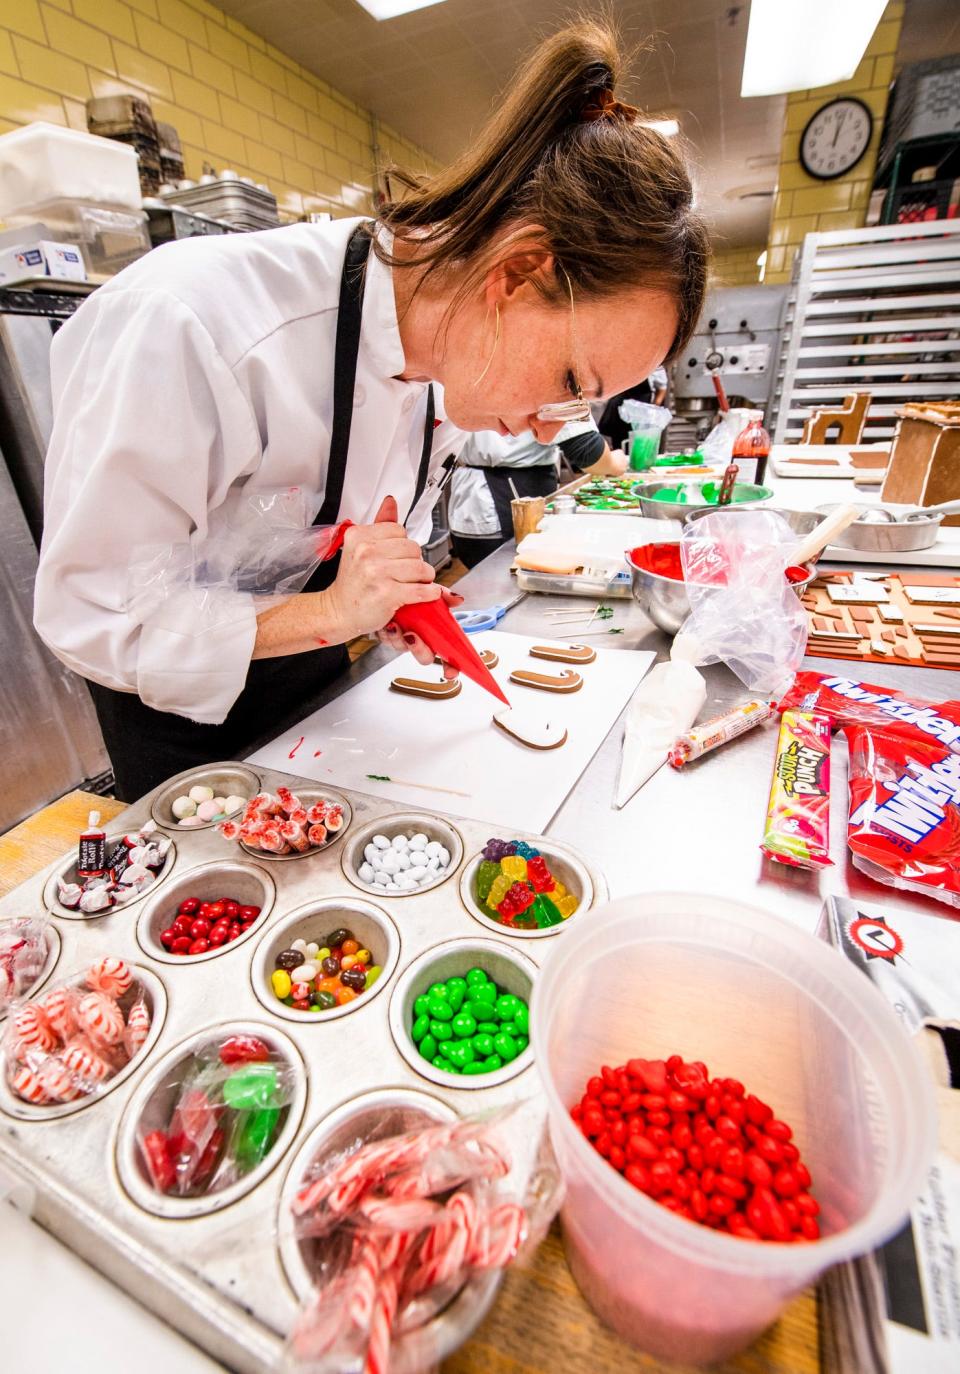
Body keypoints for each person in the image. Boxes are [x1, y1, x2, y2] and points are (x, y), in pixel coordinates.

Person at [34, 19, 708, 800]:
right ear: (517, 273)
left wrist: (388, 600)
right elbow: (92, 612)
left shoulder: (452, 361)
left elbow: (362, 532)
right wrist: (332, 611)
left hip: (324, 696)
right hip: (183, 729)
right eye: (569, 378)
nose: (549, 426)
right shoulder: (190, 325)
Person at [448, 420, 627, 568]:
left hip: (467, 500)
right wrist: (614, 462)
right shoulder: (546, 378)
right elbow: (587, 452)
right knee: (510, 579)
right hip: (504, 502)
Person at [598, 366, 669, 452]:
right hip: (620, 407)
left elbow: (661, 389)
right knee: (619, 441)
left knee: (639, 442)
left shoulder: (654, 365)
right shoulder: (622, 362)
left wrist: (653, 409)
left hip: (641, 410)